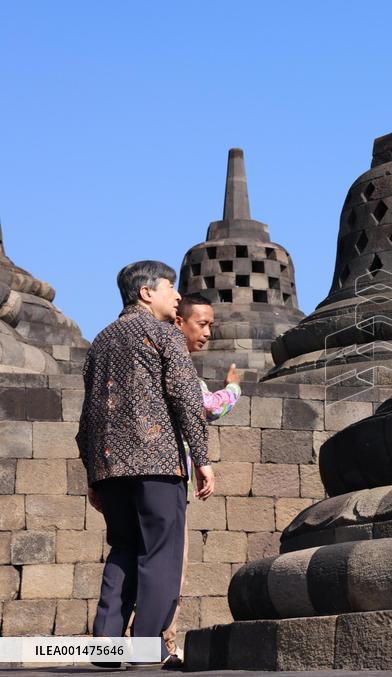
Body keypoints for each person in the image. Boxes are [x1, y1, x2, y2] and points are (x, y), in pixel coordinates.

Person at [76, 261, 215, 668]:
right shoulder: (162, 335)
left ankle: (105, 649)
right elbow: (187, 401)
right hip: (157, 465)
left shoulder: (100, 342)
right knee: (160, 554)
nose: (177, 296)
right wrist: (202, 458)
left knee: (123, 549)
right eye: (171, 287)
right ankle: (145, 649)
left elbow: (88, 418)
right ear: (145, 293)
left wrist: (92, 474)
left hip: (110, 469)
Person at [161, 293, 241, 661]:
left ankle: (125, 642)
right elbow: (204, 407)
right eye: (203, 323)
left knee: (133, 559)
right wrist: (234, 389)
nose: (208, 332)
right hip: (167, 476)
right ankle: (163, 644)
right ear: (180, 321)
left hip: (129, 473)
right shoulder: (175, 362)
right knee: (171, 565)